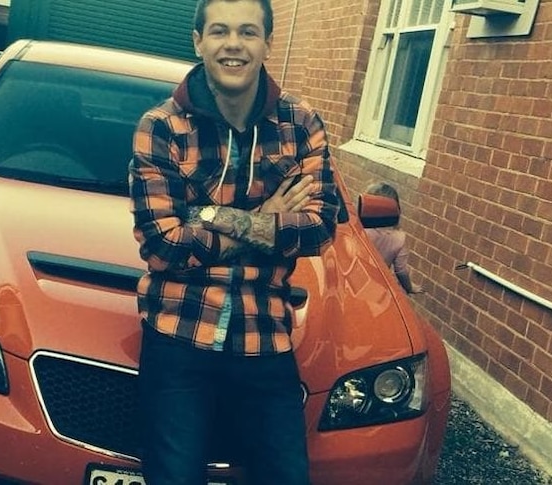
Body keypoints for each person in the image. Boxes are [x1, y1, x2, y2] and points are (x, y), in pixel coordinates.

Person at [127, 0, 339, 483]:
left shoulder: (301, 124)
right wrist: (264, 220)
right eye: (219, 31)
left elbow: (320, 226)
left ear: (267, 42)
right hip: (177, 332)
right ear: (198, 41)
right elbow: (163, 248)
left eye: (248, 32)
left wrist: (203, 215)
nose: (234, 44)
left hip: (265, 332)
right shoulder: (161, 127)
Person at [364, 182, 424, 294]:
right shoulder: (399, 238)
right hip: (378, 286)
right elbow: (401, 270)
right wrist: (409, 288)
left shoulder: (359, 230)